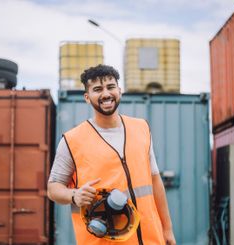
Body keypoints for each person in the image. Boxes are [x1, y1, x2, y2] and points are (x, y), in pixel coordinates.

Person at [48, 64, 176, 245]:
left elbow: (155, 182)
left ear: (120, 91)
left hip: (151, 238)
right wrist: (74, 195)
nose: (106, 94)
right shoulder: (72, 141)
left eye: (111, 87)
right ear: (87, 97)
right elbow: (53, 189)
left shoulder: (142, 129)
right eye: (97, 89)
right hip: (106, 241)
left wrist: (167, 229)